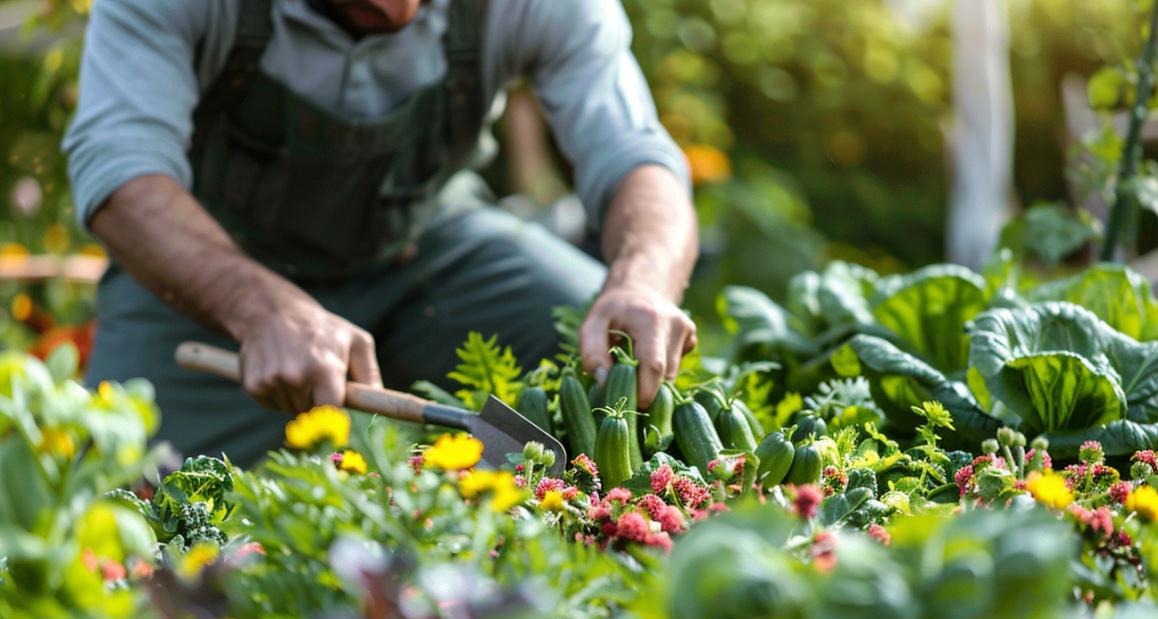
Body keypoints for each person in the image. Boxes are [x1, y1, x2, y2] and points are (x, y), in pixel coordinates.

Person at [65, 0, 699, 465]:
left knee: (614, 367)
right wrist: (259, 308)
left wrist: (642, 280)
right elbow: (125, 174)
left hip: (429, 250)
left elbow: (635, 155)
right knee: (121, 509)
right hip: (210, 287)